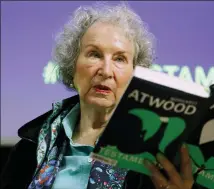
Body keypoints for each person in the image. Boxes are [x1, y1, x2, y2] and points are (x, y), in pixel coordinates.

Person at [1, 3, 197, 189]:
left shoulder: (156, 157)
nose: (106, 70)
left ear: (135, 74)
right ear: (73, 65)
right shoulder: (30, 148)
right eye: (94, 54)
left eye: (120, 58)